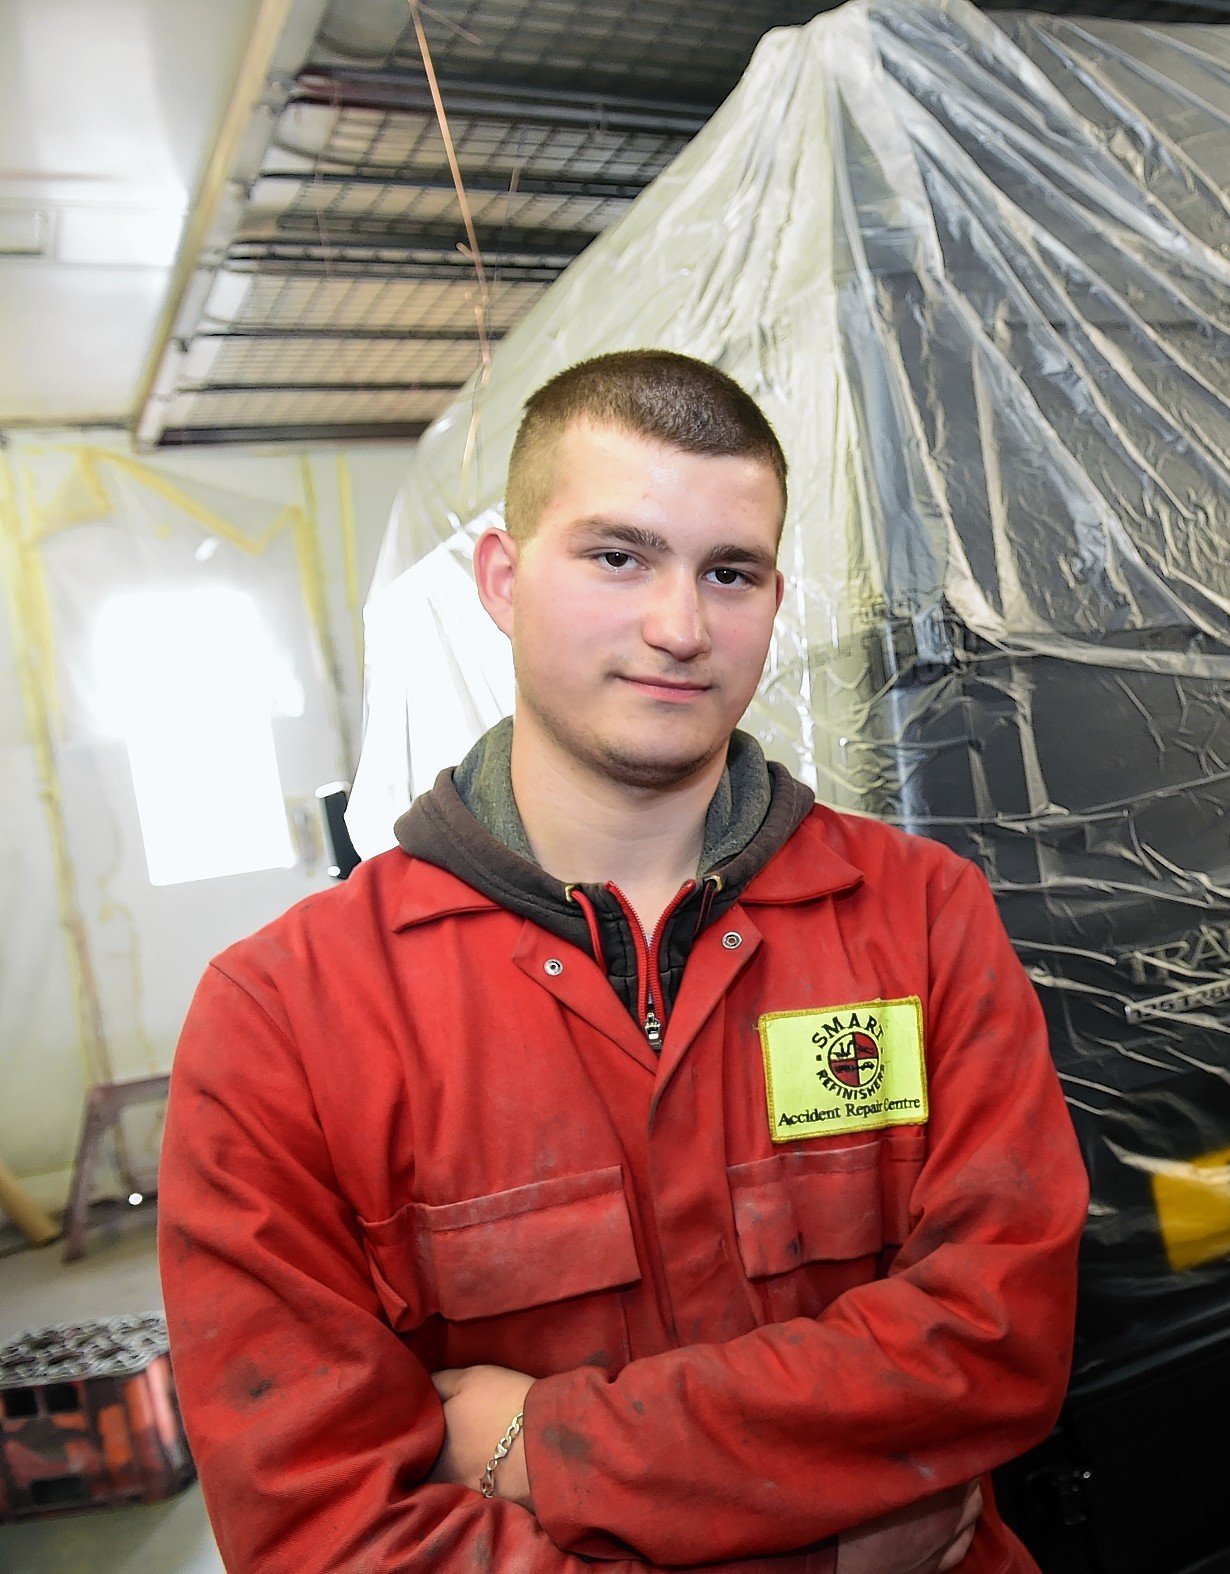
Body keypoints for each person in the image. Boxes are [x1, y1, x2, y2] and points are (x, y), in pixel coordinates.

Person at [159, 350, 1089, 1572]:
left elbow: (1000, 1338)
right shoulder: (285, 1017)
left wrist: (539, 1443)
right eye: (618, 555)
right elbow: (323, 1526)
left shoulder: (919, 918)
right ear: (503, 577)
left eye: (729, 572)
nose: (679, 627)